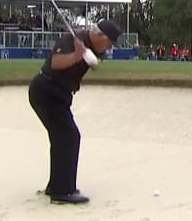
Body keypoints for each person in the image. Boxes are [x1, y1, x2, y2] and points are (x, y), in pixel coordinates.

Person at [29, 18, 123, 205]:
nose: (110, 47)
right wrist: (76, 55)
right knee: (70, 137)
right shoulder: (71, 40)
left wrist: (87, 56)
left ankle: (56, 186)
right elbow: (55, 63)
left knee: (62, 138)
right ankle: (63, 192)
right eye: (110, 42)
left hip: (60, 96)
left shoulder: (94, 48)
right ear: (99, 35)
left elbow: (95, 65)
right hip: (46, 91)